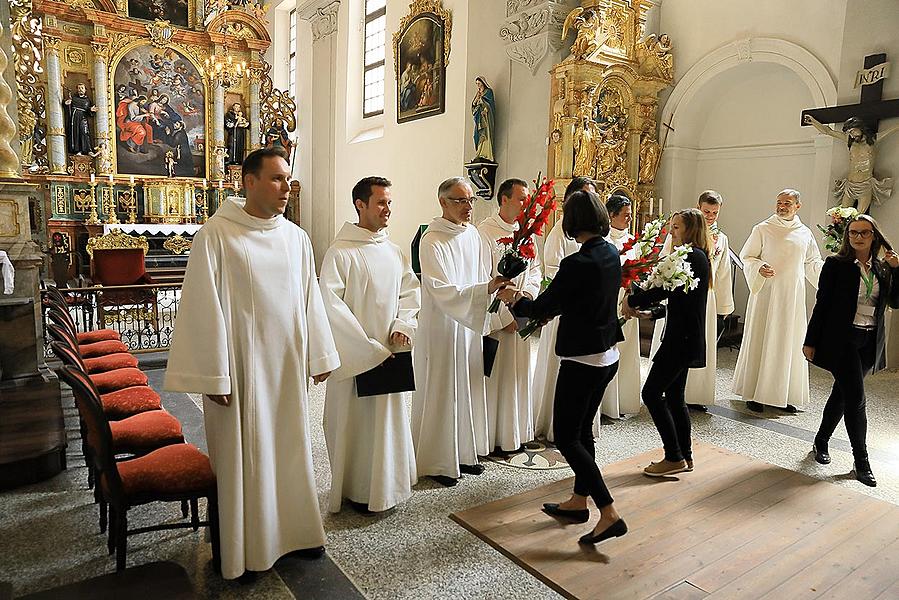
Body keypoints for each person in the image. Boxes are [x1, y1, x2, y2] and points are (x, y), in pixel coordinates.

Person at [164, 147, 339, 580]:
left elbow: (309, 300)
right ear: (248, 181)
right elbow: (204, 309)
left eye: (288, 178)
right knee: (246, 461)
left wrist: (320, 353)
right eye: (277, 179)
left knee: (290, 451)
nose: (286, 188)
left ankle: (298, 535)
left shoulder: (296, 238)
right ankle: (245, 551)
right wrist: (212, 373)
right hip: (240, 373)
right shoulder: (217, 235)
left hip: (286, 368)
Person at [498, 190, 626, 545]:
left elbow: (542, 308)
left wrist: (516, 299)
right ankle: (579, 501)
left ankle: (609, 511)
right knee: (583, 433)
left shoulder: (575, 264)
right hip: (607, 355)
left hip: (581, 359)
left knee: (568, 438)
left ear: (570, 223)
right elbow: (576, 301)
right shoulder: (610, 252)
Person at [320, 177, 421, 513]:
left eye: (390, 202)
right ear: (360, 205)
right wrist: (368, 351)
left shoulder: (393, 251)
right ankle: (357, 490)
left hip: (389, 356)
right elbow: (331, 307)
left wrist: (403, 324)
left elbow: (410, 292)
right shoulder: (340, 253)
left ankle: (388, 488)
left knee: (387, 424)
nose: (387, 209)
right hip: (359, 360)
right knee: (356, 426)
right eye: (380, 202)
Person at [411, 177, 509, 486]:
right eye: (460, 201)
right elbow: (441, 289)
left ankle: (465, 453)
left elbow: (482, 276)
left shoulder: (473, 237)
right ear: (443, 202)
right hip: (441, 326)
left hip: (469, 323)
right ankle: (439, 461)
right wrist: (483, 289)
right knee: (443, 388)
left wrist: (492, 292)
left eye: (470, 201)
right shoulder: (432, 240)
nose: (468, 207)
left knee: (467, 385)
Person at [803, 215, 899, 487]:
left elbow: (895, 301)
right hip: (842, 339)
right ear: (847, 236)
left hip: (868, 341)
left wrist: (898, 269)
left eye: (864, 233)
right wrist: (810, 341)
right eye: (853, 232)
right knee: (856, 397)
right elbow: (822, 304)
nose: (858, 237)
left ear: (874, 236)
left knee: (842, 394)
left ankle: (821, 440)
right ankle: (861, 460)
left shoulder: (882, 267)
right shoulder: (836, 265)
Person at [623, 208, 711, 476]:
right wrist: (650, 312)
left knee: (650, 393)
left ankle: (673, 456)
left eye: (676, 227)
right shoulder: (693, 256)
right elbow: (678, 300)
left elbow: (663, 290)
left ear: (690, 230)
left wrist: (633, 300)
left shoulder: (692, 257)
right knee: (674, 397)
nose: (671, 232)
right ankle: (685, 455)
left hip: (681, 339)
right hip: (683, 335)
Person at [733, 189, 824, 413]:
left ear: (797, 206)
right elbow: (747, 257)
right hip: (767, 294)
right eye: (779, 202)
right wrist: (758, 267)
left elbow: (812, 263)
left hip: (791, 297)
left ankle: (785, 395)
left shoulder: (804, 233)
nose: (782, 206)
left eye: (787, 203)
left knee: (788, 342)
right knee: (763, 340)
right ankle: (754, 394)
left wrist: (834, 277)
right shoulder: (762, 229)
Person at [650, 191, 734, 411]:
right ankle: (672, 393)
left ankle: (697, 396)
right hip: (679, 292)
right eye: (706, 211)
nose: (710, 216)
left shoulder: (721, 238)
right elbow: (665, 262)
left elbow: (722, 272)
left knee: (697, 343)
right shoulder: (680, 234)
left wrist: (724, 306)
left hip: (706, 296)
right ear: (699, 207)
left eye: (715, 213)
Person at [478, 178, 543, 453]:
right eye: (520, 199)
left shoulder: (526, 232)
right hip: (499, 320)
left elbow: (536, 269)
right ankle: (491, 437)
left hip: (520, 314)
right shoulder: (484, 232)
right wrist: (505, 317)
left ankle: (513, 433)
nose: (525, 204)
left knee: (517, 375)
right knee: (496, 377)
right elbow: (482, 276)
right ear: (503, 199)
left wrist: (526, 299)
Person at [532, 176, 595, 442]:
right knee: (558, 368)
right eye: (583, 196)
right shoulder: (559, 232)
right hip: (563, 310)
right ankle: (552, 421)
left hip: (583, 311)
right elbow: (553, 270)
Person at [601, 194, 641, 419]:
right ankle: (606, 404)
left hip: (629, 301)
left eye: (631, 214)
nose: (629, 218)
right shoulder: (604, 241)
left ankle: (623, 401)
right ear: (611, 215)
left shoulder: (633, 241)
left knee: (626, 352)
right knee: (610, 351)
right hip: (609, 301)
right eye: (625, 215)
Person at [64, 83, 97, 155]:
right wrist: (66, 103)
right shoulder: (74, 98)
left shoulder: (87, 100)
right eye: (79, 88)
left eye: (82, 88)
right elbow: (67, 106)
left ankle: (88, 150)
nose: (80, 90)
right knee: (76, 133)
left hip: (83, 117)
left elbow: (89, 110)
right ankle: (78, 150)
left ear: (85, 90)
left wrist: (91, 109)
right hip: (74, 117)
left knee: (84, 132)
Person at [471, 77, 496, 163]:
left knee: (486, 134)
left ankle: (487, 155)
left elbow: (490, 104)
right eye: (477, 84)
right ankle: (479, 153)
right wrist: (476, 100)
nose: (478, 85)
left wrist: (485, 108)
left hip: (486, 119)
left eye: (479, 83)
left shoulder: (488, 92)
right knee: (477, 135)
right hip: (479, 119)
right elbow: (473, 107)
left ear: (483, 83)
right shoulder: (478, 93)